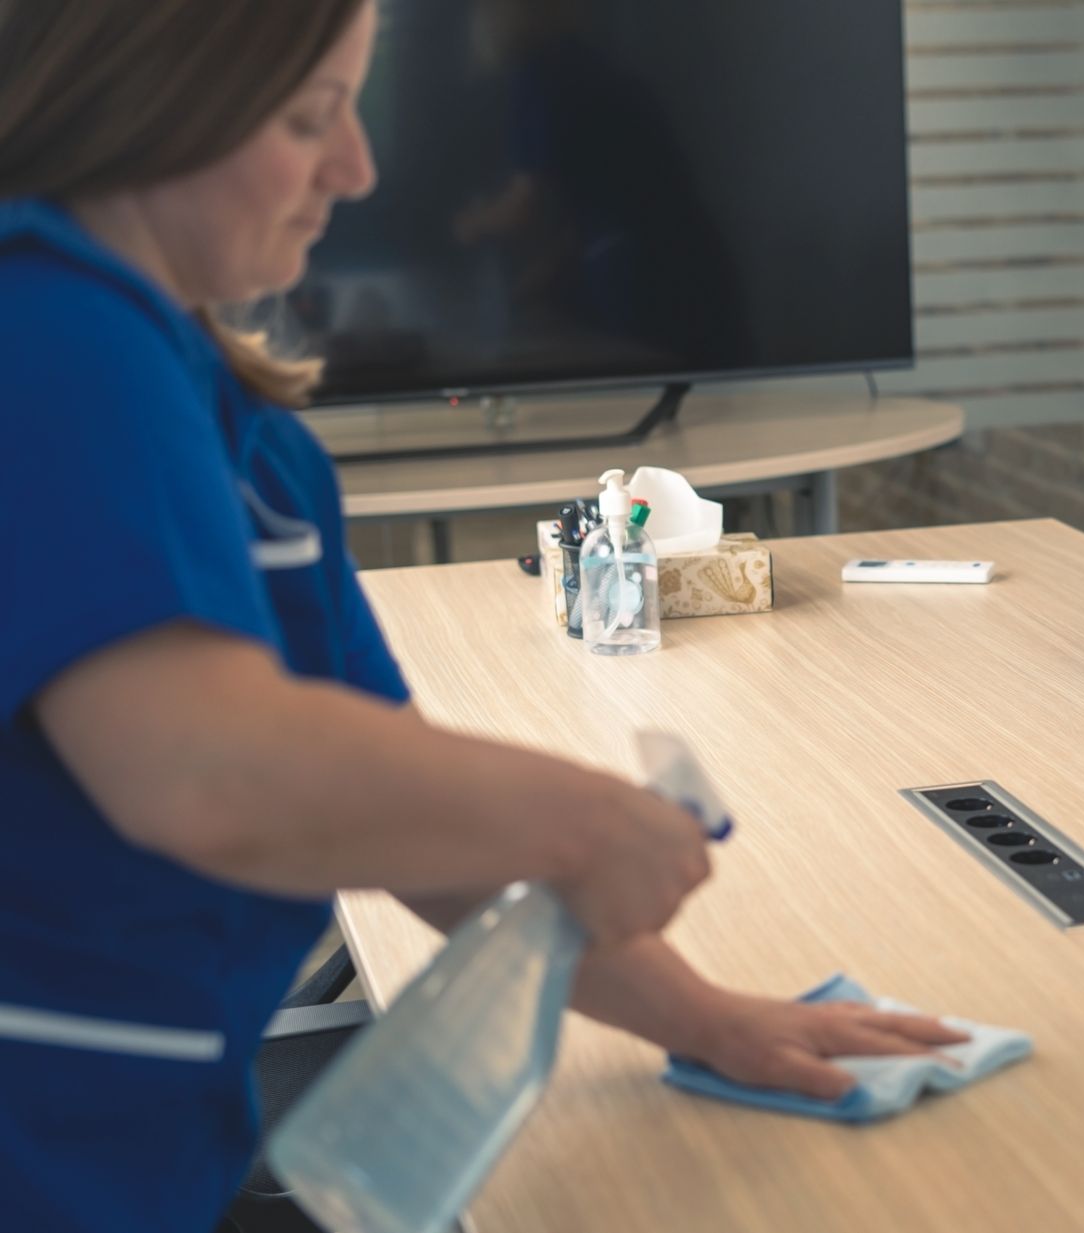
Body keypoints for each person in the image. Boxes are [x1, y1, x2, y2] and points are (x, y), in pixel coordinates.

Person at [0, 4, 962, 1230]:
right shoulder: (40, 317)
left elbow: (409, 833)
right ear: (155, 99)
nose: (356, 168)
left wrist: (712, 1019)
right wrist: (580, 816)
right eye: (310, 117)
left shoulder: (255, 453)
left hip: (137, 1165)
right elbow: (207, 768)